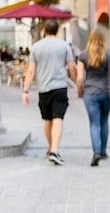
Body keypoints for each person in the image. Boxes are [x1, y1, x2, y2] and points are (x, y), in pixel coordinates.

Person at [22, 19, 76, 166]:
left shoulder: (36, 47)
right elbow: (71, 67)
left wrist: (25, 91)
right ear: (57, 31)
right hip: (59, 87)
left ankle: (52, 148)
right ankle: (54, 150)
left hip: (43, 89)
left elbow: (31, 70)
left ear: (44, 30)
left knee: (47, 119)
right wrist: (77, 82)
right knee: (58, 117)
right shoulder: (64, 46)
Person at [76, 29, 110, 167]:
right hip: (106, 92)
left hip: (90, 93)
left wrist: (80, 91)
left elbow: (79, 78)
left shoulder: (83, 56)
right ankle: (103, 151)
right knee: (104, 121)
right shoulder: (109, 54)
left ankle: (96, 152)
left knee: (94, 123)